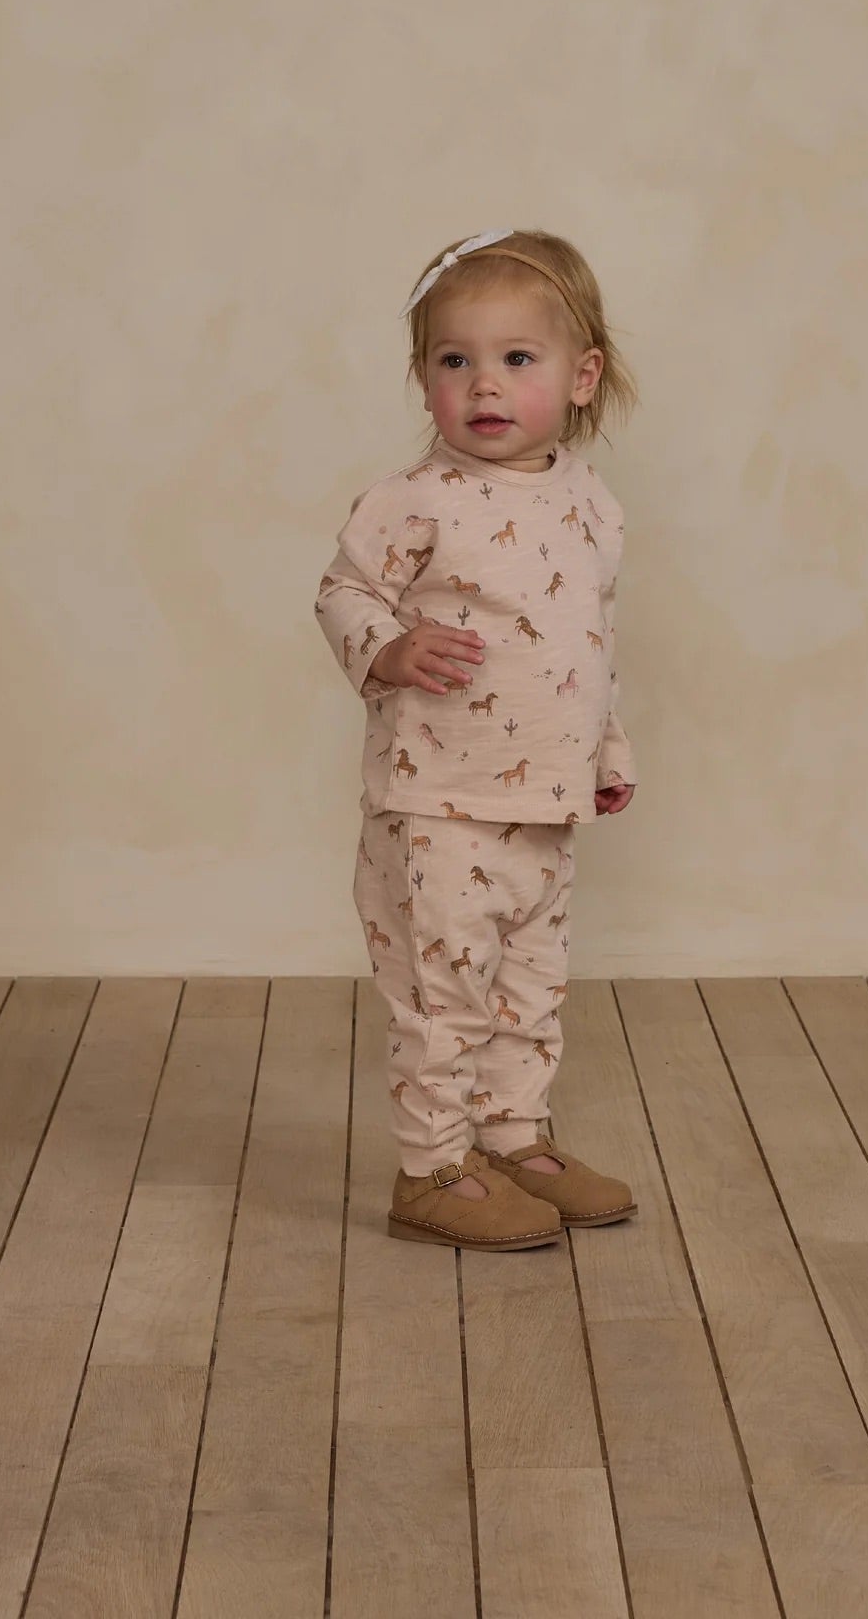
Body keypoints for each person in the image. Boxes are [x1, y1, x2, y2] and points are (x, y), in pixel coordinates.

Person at [315, 228, 641, 1250]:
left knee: (529, 986)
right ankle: (431, 1168)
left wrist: (607, 752)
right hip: (438, 805)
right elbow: (343, 591)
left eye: (517, 359)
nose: (484, 385)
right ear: (424, 380)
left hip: (542, 803)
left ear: (580, 377)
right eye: (456, 361)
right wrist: (390, 649)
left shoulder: (589, 504)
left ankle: (512, 1137)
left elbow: (586, 643)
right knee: (444, 993)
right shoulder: (415, 500)